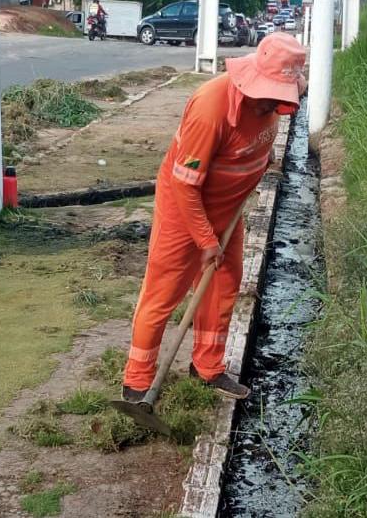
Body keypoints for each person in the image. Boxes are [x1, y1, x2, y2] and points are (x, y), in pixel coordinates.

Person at [121, 33, 307, 401]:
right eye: (269, 94)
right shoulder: (210, 108)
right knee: (164, 292)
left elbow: (255, 140)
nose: (273, 103)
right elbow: (184, 185)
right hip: (185, 209)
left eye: (280, 96)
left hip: (229, 209)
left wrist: (261, 160)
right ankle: (137, 382)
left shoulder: (271, 103)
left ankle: (207, 368)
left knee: (223, 285)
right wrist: (205, 240)